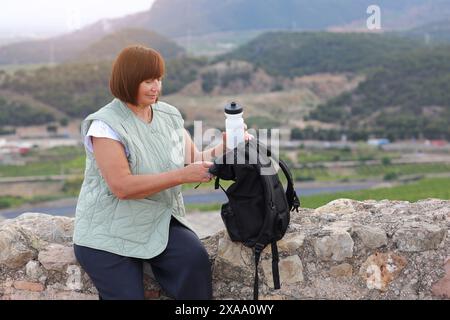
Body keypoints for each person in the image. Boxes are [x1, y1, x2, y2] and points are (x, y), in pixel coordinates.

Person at [72, 45, 250, 300]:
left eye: (159, 79)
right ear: (128, 81)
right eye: (148, 81)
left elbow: (193, 159)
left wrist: (225, 146)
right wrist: (180, 176)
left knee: (194, 261)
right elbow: (122, 187)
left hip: (156, 219)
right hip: (107, 231)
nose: (156, 87)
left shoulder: (169, 115)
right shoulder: (105, 125)